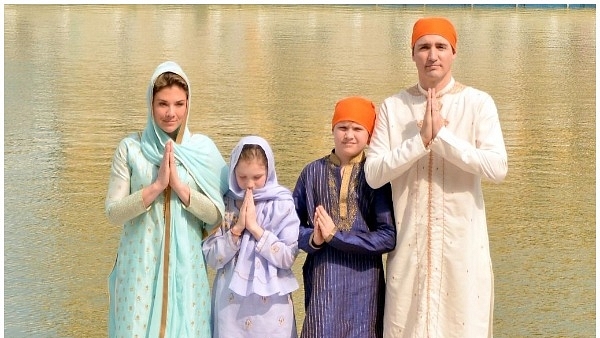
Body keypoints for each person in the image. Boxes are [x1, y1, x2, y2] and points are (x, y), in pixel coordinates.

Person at [364, 17, 508, 337]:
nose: (433, 55)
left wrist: (443, 138)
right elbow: (373, 174)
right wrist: (419, 143)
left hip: (463, 249)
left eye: (441, 46)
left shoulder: (478, 103)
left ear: (454, 52)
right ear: (412, 54)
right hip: (409, 249)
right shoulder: (393, 107)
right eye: (424, 47)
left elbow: (497, 167)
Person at [105, 61, 229, 338]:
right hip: (138, 266)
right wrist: (157, 187)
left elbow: (216, 216)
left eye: (179, 104)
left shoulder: (202, 150)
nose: (171, 113)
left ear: (188, 104)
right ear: (150, 103)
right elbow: (113, 213)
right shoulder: (131, 148)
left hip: (187, 270)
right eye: (162, 104)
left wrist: (180, 189)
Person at [293, 96, 396, 338]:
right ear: (333, 129)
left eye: (357, 128)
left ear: (369, 135)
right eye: (343, 127)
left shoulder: (375, 176)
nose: (349, 135)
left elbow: (388, 237)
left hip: (365, 287)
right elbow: (290, 227)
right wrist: (315, 239)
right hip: (323, 280)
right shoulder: (312, 172)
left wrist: (336, 236)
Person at [202, 135, 301, 338]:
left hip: (272, 307)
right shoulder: (224, 203)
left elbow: (287, 257)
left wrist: (256, 229)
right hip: (230, 305)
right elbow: (212, 258)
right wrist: (237, 229)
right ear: (233, 173)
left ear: (269, 171)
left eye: (257, 177)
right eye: (242, 177)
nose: (249, 185)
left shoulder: (282, 203)